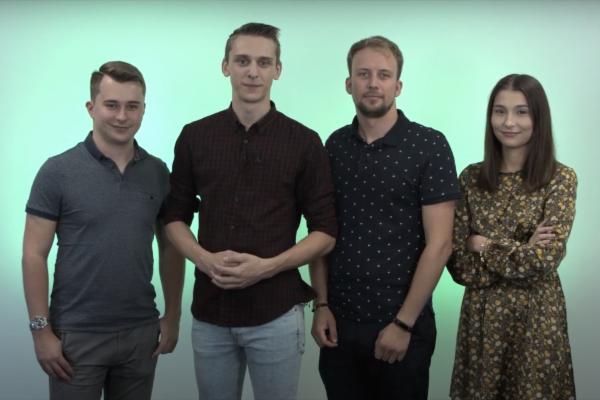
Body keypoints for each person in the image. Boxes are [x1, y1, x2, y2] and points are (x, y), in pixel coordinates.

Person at [163, 22, 337, 400]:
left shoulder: (305, 142)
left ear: (278, 70)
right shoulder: (195, 136)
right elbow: (174, 217)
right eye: (242, 61)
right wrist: (204, 260)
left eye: (263, 62)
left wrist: (267, 267)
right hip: (210, 313)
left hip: (276, 313)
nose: (253, 72)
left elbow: (325, 232)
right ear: (225, 66)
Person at [22, 61, 185, 400]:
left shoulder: (158, 172)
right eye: (112, 105)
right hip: (76, 336)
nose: (122, 116)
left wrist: (173, 315)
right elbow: (33, 254)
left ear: (144, 110)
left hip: (141, 332)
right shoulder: (57, 171)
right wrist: (41, 331)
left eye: (132, 106)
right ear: (91, 107)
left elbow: (170, 246)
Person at [310, 36, 461, 400]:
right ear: (349, 83)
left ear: (398, 85)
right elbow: (322, 232)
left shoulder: (429, 145)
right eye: (363, 74)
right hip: (340, 324)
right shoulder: (334, 146)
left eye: (383, 75)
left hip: (402, 323)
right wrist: (321, 305)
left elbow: (440, 244)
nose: (373, 83)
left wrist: (403, 324)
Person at [447, 74, 577, 399]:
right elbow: (460, 266)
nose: (508, 122)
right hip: (482, 320)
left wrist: (483, 244)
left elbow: (543, 260)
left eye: (521, 112)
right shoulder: (471, 178)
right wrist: (521, 249)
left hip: (536, 321)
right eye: (499, 111)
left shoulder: (560, 179)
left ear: (538, 118)